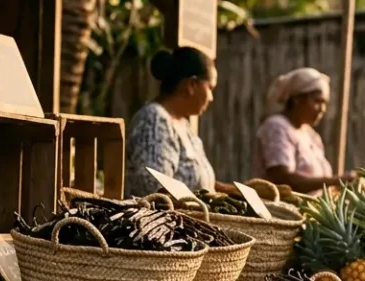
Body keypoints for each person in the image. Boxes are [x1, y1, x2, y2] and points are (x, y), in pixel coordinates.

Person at [126, 47, 233, 197]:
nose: (211, 97)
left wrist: (233, 192)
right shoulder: (154, 120)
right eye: (210, 88)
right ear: (192, 85)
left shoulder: (184, 126)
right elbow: (153, 189)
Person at [253, 67, 353, 193]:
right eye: (317, 101)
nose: (322, 109)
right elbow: (283, 179)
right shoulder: (277, 127)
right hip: (282, 210)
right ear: (297, 99)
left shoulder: (311, 135)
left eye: (325, 103)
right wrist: (335, 181)